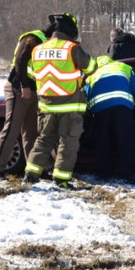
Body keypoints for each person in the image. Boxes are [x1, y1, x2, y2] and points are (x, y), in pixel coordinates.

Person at [23, 13, 97, 189]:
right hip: (69, 106)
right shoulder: (71, 48)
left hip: (46, 106)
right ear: (71, 30)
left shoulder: (37, 49)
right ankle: (61, 179)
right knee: (68, 143)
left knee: (44, 140)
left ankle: (31, 174)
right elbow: (91, 67)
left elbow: (32, 74)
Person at [0, 23, 56, 179]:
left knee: (31, 132)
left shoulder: (48, 46)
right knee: (12, 129)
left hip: (33, 91)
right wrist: (24, 85)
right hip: (18, 88)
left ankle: (34, 170)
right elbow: (20, 61)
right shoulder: (32, 38)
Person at [85, 55, 135, 181]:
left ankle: (103, 173)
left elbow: (88, 95)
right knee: (126, 140)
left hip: (100, 110)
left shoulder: (92, 74)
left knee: (102, 141)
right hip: (123, 107)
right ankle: (124, 174)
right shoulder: (124, 67)